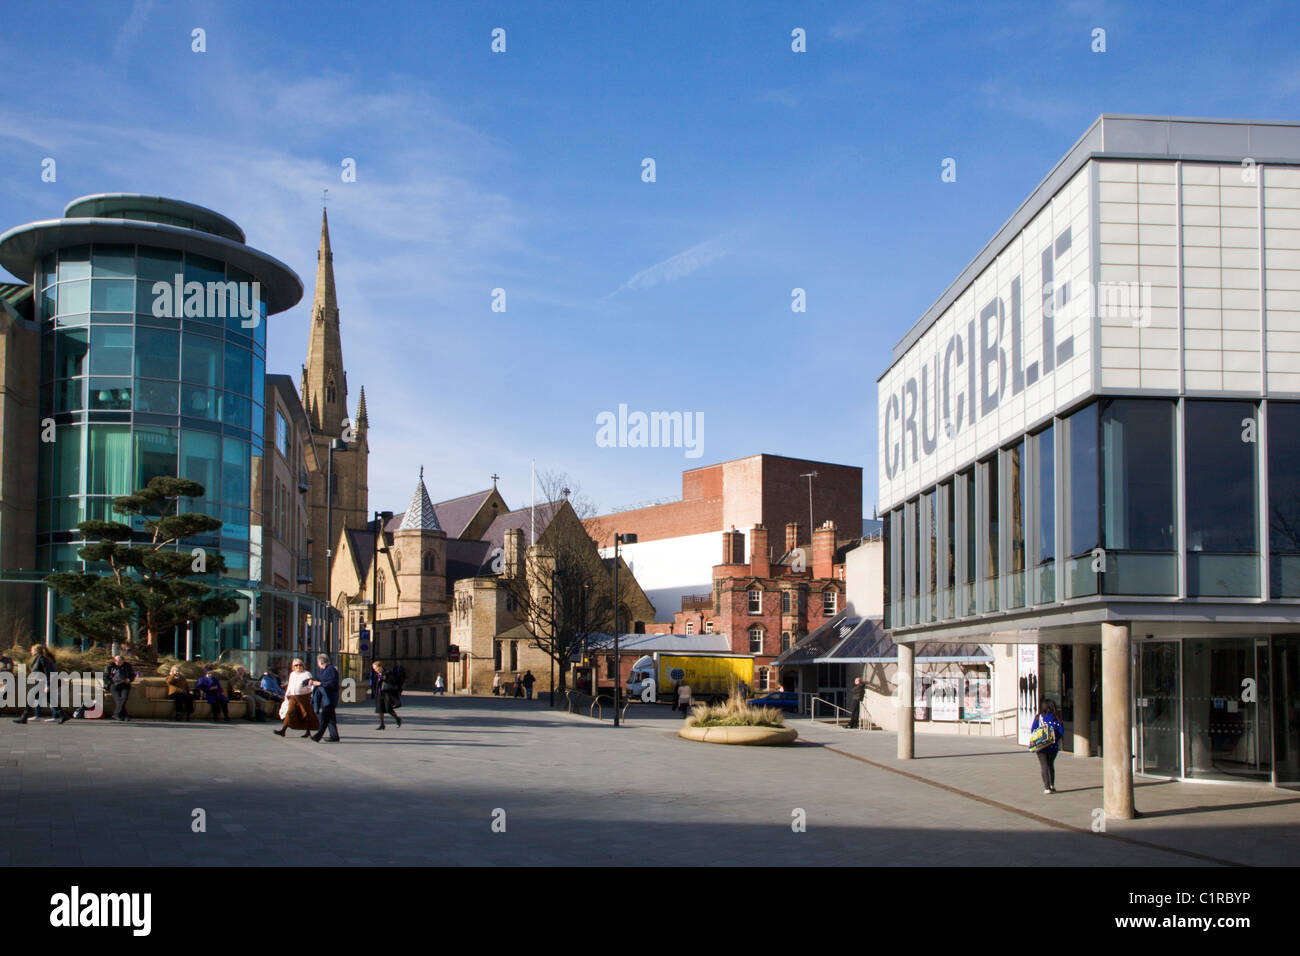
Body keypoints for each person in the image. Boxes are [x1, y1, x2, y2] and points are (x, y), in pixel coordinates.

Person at [14, 644, 69, 724]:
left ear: (36, 651)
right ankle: (63, 715)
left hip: (44, 682)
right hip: (41, 682)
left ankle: (24, 717)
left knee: (32, 697)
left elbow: (48, 672)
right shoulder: (38, 658)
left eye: (32, 650)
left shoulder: (42, 658)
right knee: (49, 699)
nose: (31, 651)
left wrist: (48, 685)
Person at [273, 659, 318, 738]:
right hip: (293, 697)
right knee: (290, 712)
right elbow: (290, 685)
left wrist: (312, 694)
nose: (298, 667)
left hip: (304, 697)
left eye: (300, 665)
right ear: (293, 667)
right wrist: (287, 695)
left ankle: (308, 731)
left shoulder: (307, 674)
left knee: (306, 714)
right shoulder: (292, 674)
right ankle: (283, 730)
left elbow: (311, 685)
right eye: (296, 665)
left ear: (303, 665)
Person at [1029, 698, 1066, 794]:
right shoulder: (1056, 718)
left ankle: (1046, 787)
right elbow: (1061, 732)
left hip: (1041, 746)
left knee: (1044, 765)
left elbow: (1033, 730)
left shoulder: (1038, 718)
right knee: (1050, 765)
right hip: (1053, 746)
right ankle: (1052, 785)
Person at [309, 654, 341, 743]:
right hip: (326, 698)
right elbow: (320, 679)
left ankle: (318, 736)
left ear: (320, 662)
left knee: (325, 717)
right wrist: (313, 681)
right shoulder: (324, 670)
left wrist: (320, 684)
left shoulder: (330, 670)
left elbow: (332, 683)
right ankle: (334, 736)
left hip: (330, 698)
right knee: (331, 718)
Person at [103, 653, 136, 722]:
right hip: (114, 685)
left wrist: (129, 679)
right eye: (118, 662)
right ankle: (125, 715)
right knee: (118, 700)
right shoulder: (110, 666)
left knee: (124, 698)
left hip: (125, 684)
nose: (120, 663)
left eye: (121, 661)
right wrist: (111, 683)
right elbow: (105, 677)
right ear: (115, 661)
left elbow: (132, 675)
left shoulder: (127, 666)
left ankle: (116, 714)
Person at [372, 661, 403, 730]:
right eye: (374, 669)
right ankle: (382, 724)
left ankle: (397, 718)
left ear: (380, 667)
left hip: (387, 693)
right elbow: (375, 684)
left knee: (388, 708)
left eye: (375, 668)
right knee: (380, 709)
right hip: (379, 693)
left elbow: (394, 680)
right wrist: (374, 693)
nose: (375, 670)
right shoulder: (376, 674)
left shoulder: (387, 672)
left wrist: (386, 679)